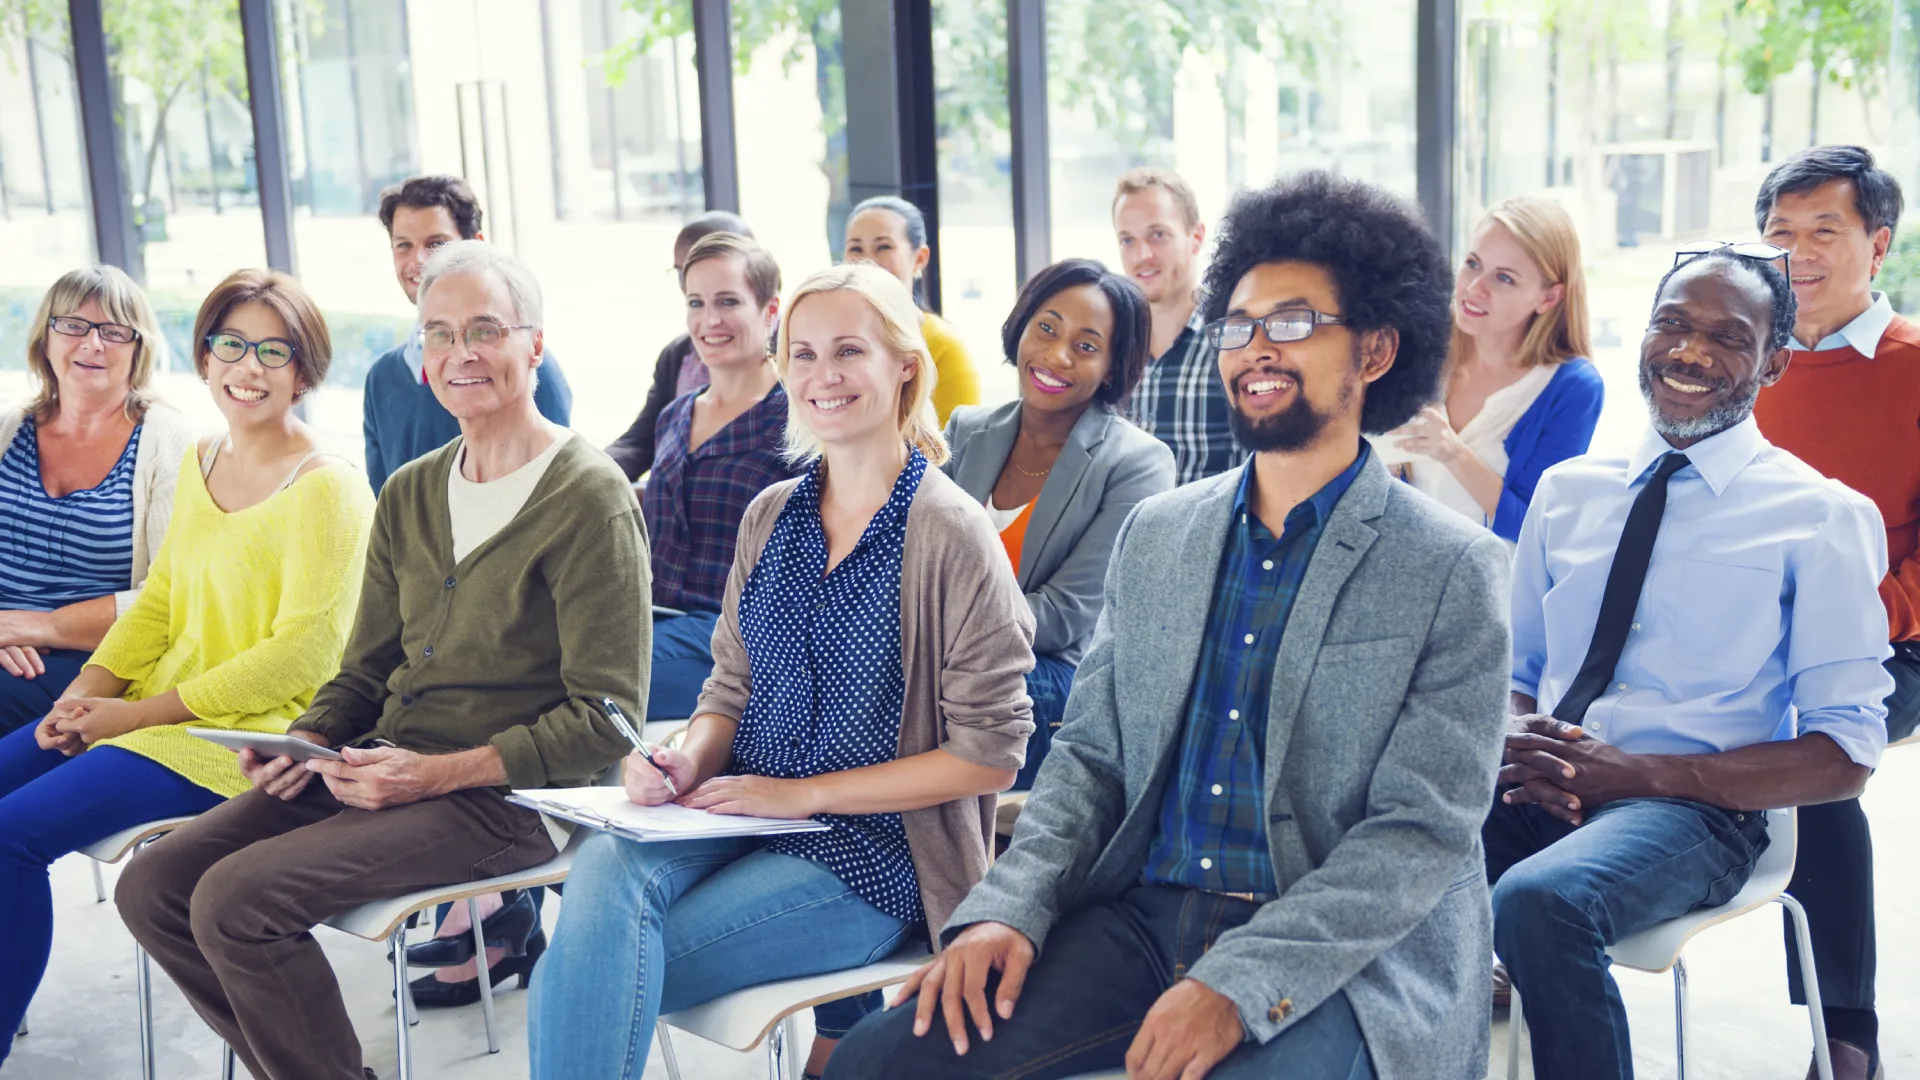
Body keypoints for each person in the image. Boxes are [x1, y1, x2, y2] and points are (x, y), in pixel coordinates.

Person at [829, 171, 1511, 1080]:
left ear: (1377, 351)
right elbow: (1092, 758)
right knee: (884, 1062)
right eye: (1238, 324)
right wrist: (1007, 905)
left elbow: (1416, 836)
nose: (1254, 348)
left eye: (1293, 323)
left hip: (1343, 954)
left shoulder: (1451, 568)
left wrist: (1239, 980)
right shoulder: (1163, 535)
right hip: (1147, 916)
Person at [114, 243, 644, 1080]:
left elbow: (608, 719)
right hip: (372, 770)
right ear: (423, 359)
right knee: (155, 888)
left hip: (506, 800)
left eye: (484, 330)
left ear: (533, 347)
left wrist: (433, 776)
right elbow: (365, 668)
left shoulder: (588, 496)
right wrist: (307, 739)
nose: (460, 353)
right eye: (438, 335)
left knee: (233, 901)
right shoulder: (411, 490)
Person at [528, 262, 1035, 1080]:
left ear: (903, 364)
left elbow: (991, 755)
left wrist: (802, 797)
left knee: (582, 970)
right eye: (801, 355)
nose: (821, 376)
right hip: (736, 814)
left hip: (872, 853)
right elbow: (727, 687)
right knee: (603, 863)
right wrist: (686, 757)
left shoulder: (949, 531)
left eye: (847, 352)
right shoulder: (773, 514)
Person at [1490, 247, 1893, 1080]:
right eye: (1671, 324)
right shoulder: (1569, 493)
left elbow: (1844, 758)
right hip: (1546, 781)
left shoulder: (1819, 517)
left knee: (1539, 902)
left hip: (1695, 815)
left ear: (1773, 363)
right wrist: (1516, 736)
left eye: (1728, 337)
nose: (1690, 352)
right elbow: (1518, 671)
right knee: (1358, 835)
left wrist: (1633, 773)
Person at [0, 269, 374, 1061]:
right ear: (203, 359)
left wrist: (129, 715)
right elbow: (161, 606)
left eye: (275, 351)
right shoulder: (205, 462)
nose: (249, 366)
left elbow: (301, 656)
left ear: (305, 372)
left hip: (240, 739)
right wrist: (92, 690)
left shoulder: (330, 488)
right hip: (153, 711)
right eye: (231, 344)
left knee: (10, 836)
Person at [1751, 144, 1918, 1080]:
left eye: (1826, 231)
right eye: (1781, 234)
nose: (1798, 253)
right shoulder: (1748, 359)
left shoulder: (1913, 365)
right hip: (1752, 636)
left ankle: (1845, 1037)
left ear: (1877, 245)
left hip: (1894, 642)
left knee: (1818, 753)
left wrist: (1859, 616)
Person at [942, 258, 1173, 789]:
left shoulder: (1138, 462)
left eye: (1086, 346)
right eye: (1046, 328)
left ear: (1113, 367)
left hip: (1046, 680)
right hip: (947, 663)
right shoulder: (967, 429)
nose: (1056, 355)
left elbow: (1067, 616)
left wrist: (935, 633)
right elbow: (908, 557)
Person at [0, 267, 196, 734]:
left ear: (138, 349)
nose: (92, 344)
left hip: (97, 663)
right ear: (45, 338)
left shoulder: (169, 442)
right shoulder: (8, 430)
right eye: (72, 325)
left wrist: (39, 626)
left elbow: (175, 597)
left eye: (114, 332)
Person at [643, 231, 802, 721]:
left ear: (770, 311)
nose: (709, 320)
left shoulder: (799, 420)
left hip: (738, 639)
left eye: (728, 301)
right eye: (696, 302)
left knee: (596, 680)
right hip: (651, 620)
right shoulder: (675, 415)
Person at [1388, 196, 1603, 542]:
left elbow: (1534, 527)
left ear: (1549, 298)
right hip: (1411, 575)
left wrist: (1452, 451)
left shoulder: (1571, 388)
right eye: (1473, 263)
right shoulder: (1425, 344)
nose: (1474, 288)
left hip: (1495, 587)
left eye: (1504, 278)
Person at [364, 174, 574, 492]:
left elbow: (556, 486)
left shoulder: (528, 370)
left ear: (476, 245)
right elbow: (384, 505)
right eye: (403, 246)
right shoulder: (382, 379)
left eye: (436, 244)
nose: (418, 261)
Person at [606, 210, 756, 482]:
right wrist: (585, 473)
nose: (693, 284)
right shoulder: (678, 357)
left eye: (728, 299)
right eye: (683, 274)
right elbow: (642, 442)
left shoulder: (797, 356)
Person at [1113, 166, 1239, 484]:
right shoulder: (1110, 344)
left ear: (1196, 237)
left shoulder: (1235, 340)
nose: (1142, 255)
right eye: (1127, 240)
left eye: (1158, 235)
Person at [843, 194, 981, 424]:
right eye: (856, 248)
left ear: (919, 258)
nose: (867, 261)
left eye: (884, 246)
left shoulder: (944, 346)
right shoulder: (827, 340)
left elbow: (957, 449)